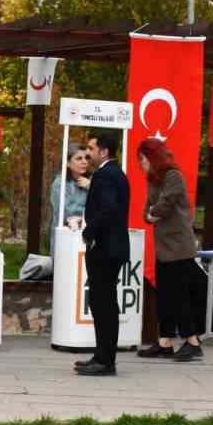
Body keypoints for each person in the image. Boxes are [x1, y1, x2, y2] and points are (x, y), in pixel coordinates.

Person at [137, 137, 206, 362]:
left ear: (152, 157)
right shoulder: (154, 179)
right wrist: (151, 213)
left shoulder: (173, 176)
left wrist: (152, 213)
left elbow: (164, 205)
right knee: (165, 295)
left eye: (143, 159)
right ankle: (165, 340)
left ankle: (192, 341)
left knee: (178, 295)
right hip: (163, 246)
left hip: (179, 246)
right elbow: (148, 209)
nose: (141, 163)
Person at [78, 131, 130, 376]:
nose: (88, 153)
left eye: (91, 148)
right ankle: (101, 356)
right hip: (110, 247)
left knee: (104, 304)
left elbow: (108, 209)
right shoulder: (112, 173)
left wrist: (89, 232)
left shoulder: (106, 175)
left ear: (104, 151)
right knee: (102, 303)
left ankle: (106, 360)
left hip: (105, 248)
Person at [47, 148, 92, 260]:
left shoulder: (91, 181)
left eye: (86, 158)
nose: (84, 161)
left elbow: (100, 207)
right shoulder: (60, 183)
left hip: (86, 239)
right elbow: (64, 213)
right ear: (67, 163)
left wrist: (91, 186)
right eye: (79, 158)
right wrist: (84, 218)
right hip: (65, 239)